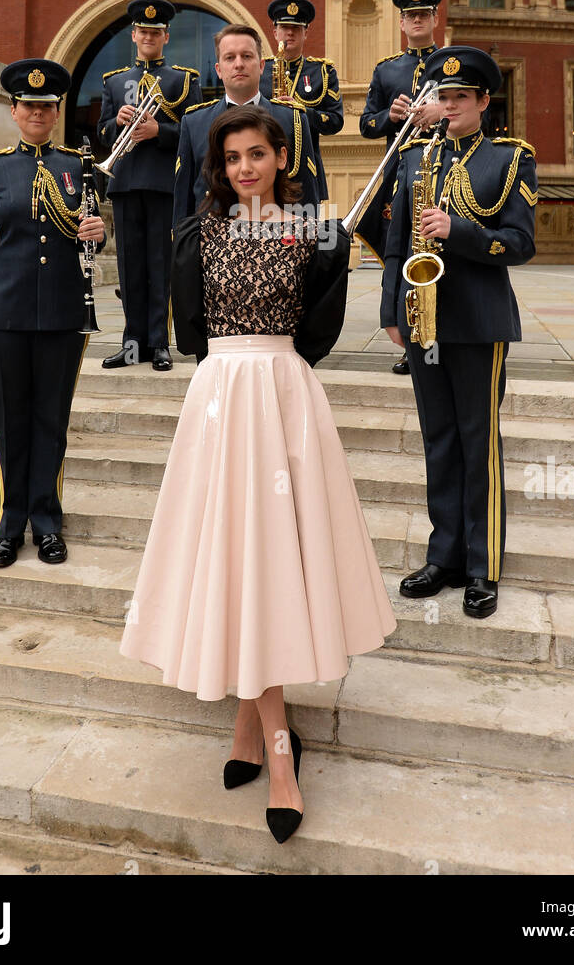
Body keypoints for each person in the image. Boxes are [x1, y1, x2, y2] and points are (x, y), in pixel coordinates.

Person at [120, 106, 395, 843]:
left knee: (273, 556)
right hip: (218, 400)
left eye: (257, 154)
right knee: (239, 556)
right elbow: (187, 333)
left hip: (283, 396)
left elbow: (318, 332)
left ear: (282, 155)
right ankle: (269, 743)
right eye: (232, 156)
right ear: (221, 164)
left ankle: (270, 748)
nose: (244, 167)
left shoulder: (318, 231)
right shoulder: (196, 233)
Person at [380, 46, 537, 619]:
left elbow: (520, 244)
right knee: (438, 439)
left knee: (477, 441)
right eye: (442, 98)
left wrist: (461, 230)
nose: (449, 106)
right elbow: (396, 245)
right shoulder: (414, 157)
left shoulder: (509, 157)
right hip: (422, 318)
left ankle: (481, 566)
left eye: (460, 98)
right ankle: (442, 554)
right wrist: (391, 312)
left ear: (483, 101)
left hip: (476, 319)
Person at [0, 59, 106, 569]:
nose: (37, 112)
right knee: (9, 424)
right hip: (2, 314)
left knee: (51, 423)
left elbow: (90, 234)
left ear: (57, 111)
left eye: (47, 106)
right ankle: (8, 525)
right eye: (29, 105)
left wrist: (98, 236)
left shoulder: (78, 166)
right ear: (14, 110)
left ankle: (46, 524)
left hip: (64, 316)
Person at [98, 0, 201, 371]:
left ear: (166, 36)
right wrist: (117, 124)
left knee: (159, 265)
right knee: (130, 267)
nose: (149, 37)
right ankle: (131, 343)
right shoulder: (114, 81)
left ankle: (158, 342)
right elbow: (102, 130)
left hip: (162, 185)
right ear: (134, 35)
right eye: (143, 32)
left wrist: (159, 130)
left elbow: (192, 133)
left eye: (156, 33)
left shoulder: (182, 79)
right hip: (124, 182)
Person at [358, 0, 443, 373]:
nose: (417, 20)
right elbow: (366, 125)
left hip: (445, 172)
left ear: (434, 18)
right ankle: (408, 341)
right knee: (398, 255)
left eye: (423, 14)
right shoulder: (387, 69)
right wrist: (389, 117)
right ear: (402, 22)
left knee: (435, 253)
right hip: (398, 176)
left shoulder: (453, 63)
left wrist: (441, 113)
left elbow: (482, 117)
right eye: (410, 16)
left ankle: (437, 338)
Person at [172, 23, 321, 225]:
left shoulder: (292, 119)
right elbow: (184, 201)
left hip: (275, 241)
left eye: (247, 56)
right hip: (211, 245)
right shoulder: (194, 122)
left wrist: (307, 245)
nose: (239, 64)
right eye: (230, 57)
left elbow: (306, 194)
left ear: (261, 66)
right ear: (219, 69)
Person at [258, 0, 344, 204]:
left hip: (305, 173)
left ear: (306, 32)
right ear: (274, 31)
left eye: (296, 28)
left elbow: (335, 121)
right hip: (261, 170)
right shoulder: (259, 70)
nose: (289, 32)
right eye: (285, 27)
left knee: (304, 235)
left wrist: (303, 111)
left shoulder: (322, 71)